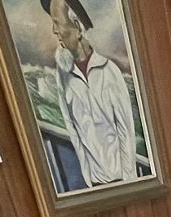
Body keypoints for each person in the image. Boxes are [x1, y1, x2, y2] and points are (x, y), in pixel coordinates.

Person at [43, 0, 137, 187]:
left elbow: (126, 132)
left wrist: (129, 183)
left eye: (57, 23)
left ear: (77, 27)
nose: (54, 31)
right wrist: (88, 177)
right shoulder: (63, 75)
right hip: (93, 183)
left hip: (122, 182)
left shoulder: (109, 72)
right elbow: (72, 129)